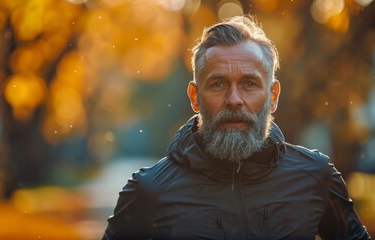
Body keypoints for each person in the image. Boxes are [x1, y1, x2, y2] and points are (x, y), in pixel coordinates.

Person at [102, 15, 371, 239]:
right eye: (218, 84)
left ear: (273, 96)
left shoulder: (315, 177)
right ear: (195, 97)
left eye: (249, 84)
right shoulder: (149, 191)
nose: (234, 100)